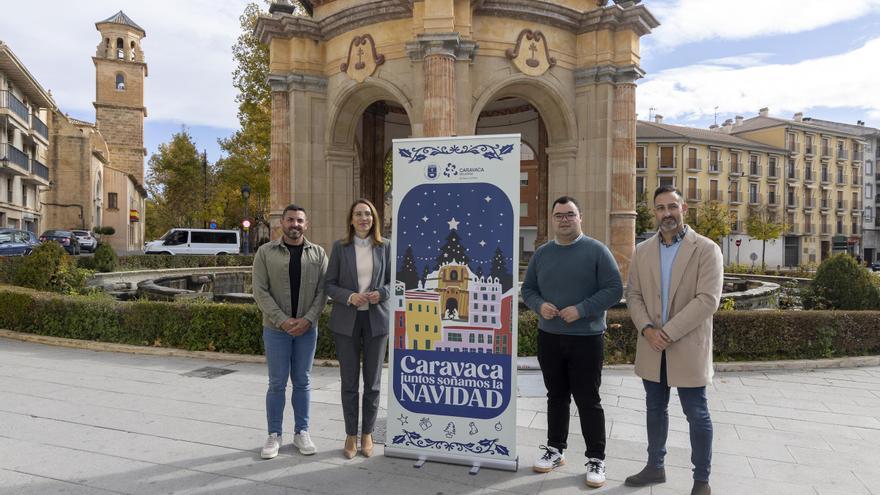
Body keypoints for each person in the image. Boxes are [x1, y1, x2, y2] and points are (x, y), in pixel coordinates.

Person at [624, 186, 723, 495]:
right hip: (652, 346)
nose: (666, 213)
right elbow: (633, 294)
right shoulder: (642, 250)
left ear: (684, 209)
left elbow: (708, 300)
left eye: (672, 207)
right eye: (660, 208)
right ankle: (655, 467)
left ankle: (701, 481)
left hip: (687, 345)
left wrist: (667, 332)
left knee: (696, 412)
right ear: (653, 212)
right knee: (655, 409)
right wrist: (648, 329)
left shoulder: (707, 249)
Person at [521, 196, 623, 488]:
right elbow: (528, 289)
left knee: (588, 399)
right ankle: (555, 449)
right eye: (559, 216)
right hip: (549, 337)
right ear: (552, 220)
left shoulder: (596, 251)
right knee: (556, 396)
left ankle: (596, 458)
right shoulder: (542, 254)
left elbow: (614, 289)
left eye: (570, 214)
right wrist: (539, 305)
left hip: (586, 338)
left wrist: (581, 309)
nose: (564, 220)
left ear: (580, 218)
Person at [252, 204, 328, 459]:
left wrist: (307, 319)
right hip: (275, 330)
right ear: (282, 223)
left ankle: (301, 432)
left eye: (299, 220)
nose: (295, 224)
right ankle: (274, 434)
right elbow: (259, 291)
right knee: (276, 383)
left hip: (307, 330)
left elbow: (323, 291)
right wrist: (283, 320)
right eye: (290, 220)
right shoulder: (265, 253)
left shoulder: (318, 254)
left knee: (303, 382)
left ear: (306, 224)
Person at [324, 199, 392, 459]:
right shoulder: (340, 248)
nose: (363, 218)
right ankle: (351, 434)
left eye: (368, 214)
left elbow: (395, 282)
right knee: (349, 382)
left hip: (376, 322)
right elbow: (329, 284)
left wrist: (382, 293)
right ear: (351, 220)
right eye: (358, 214)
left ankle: (368, 434)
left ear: (374, 218)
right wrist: (350, 297)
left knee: (373, 383)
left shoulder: (385, 247)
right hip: (347, 322)